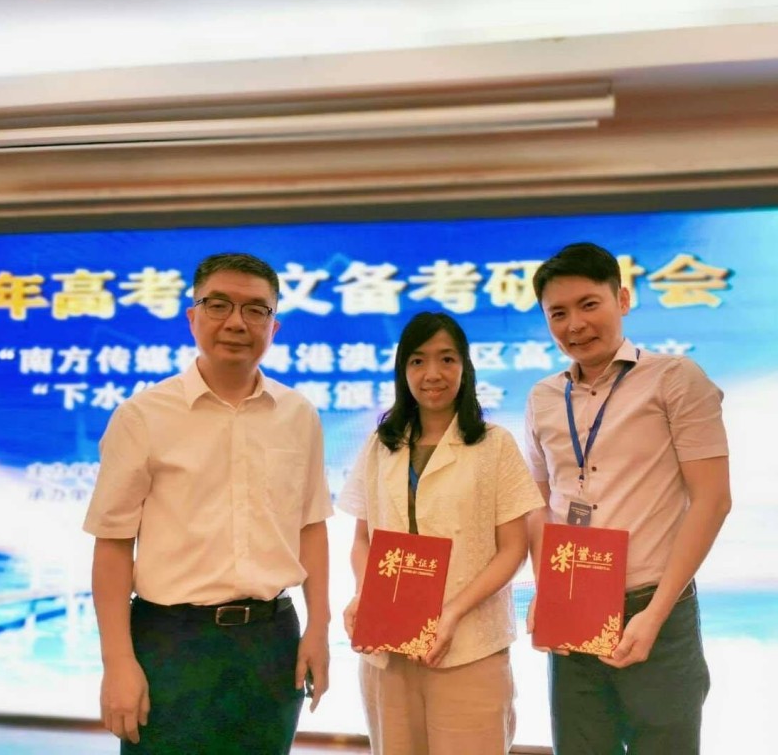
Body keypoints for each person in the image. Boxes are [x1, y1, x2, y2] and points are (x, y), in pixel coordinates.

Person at [83, 252, 332, 754]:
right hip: (171, 641)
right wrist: (118, 662)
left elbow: (311, 527)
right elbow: (113, 545)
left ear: (274, 326)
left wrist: (318, 630)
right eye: (218, 305)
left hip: (271, 642)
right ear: (192, 317)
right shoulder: (142, 416)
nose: (236, 322)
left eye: (255, 309)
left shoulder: (298, 414)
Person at [524, 242, 731, 755]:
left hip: (653, 605)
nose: (575, 324)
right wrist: (546, 592)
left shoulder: (674, 378)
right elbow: (539, 503)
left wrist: (655, 614)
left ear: (622, 298)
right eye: (558, 313)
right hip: (573, 607)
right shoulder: (543, 397)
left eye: (588, 304)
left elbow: (712, 500)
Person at [338, 311, 543, 755]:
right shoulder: (381, 444)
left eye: (447, 359)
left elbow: (513, 549)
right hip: (387, 647)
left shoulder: (494, 444)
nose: (433, 373)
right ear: (403, 370)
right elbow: (362, 539)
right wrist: (364, 594)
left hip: (469, 646)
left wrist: (451, 613)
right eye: (418, 361)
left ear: (465, 367)